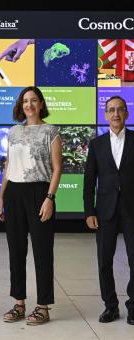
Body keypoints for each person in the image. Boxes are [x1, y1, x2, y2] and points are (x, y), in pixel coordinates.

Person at [0, 86, 62, 325]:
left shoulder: (50, 131)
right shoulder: (13, 132)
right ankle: (19, 303)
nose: (29, 105)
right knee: (16, 250)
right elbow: (9, 166)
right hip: (14, 192)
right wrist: (2, 195)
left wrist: (49, 198)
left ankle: (43, 306)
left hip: (39, 193)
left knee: (43, 251)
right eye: (25, 101)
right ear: (20, 105)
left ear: (41, 104)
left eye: (34, 100)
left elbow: (57, 168)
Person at [83, 95, 134, 325]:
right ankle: (110, 306)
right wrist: (89, 212)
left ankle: (133, 307)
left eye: (120, 110)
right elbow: (88, 181)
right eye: (111, 110)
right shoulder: (96, 145)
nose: (115, 114)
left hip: (132, 209)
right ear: (105, 115)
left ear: (126, 113)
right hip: (104, 211)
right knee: (104, 260)